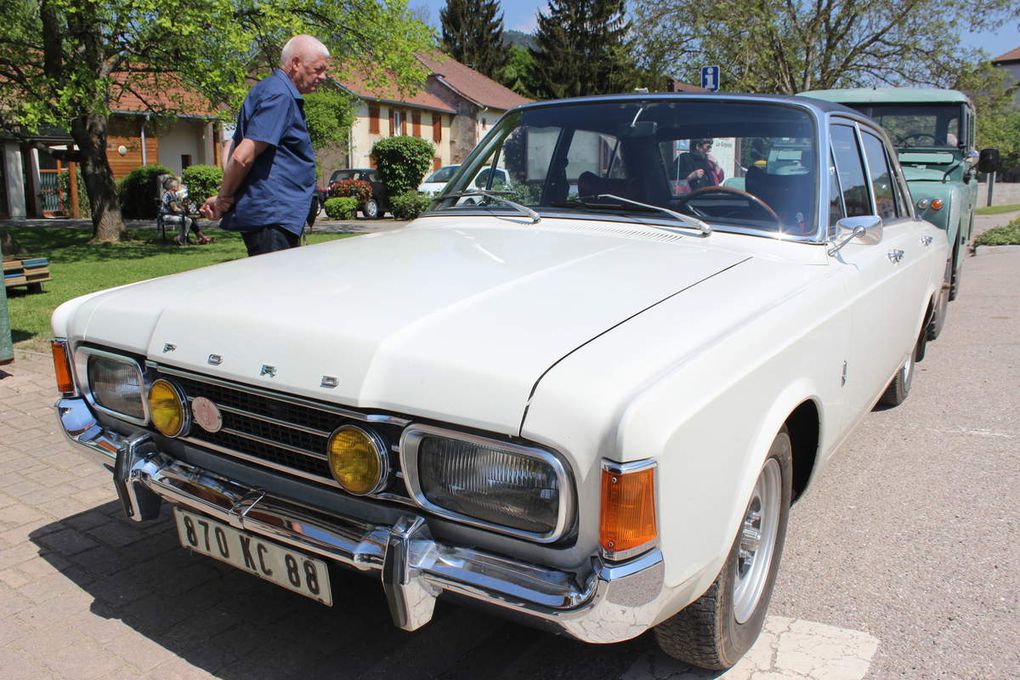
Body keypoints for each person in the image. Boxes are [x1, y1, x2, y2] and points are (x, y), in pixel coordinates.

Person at [200, 35, 330, 256]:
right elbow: (242, 156)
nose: (323, 76)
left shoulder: (271, 91)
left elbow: (232, 146)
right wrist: (223, 198)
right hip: (272, 219)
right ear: (296, 63)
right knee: (276, 288)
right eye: (318, 69)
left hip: (273, 217)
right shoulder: (280, 96)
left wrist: (225, 198)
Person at [161, 177, 211, 245]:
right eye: (177, 185)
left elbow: (178, 207)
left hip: (173, 214)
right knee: (188, 220)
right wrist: (184, 211)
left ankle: (199, 237)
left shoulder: (172, 194)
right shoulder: (170, 194)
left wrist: (185, 208)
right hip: (168, 216)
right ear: (173, 187)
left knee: (190, 218)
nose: (179, 187)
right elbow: (175, 208)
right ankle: (181, 238)